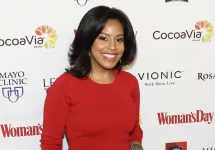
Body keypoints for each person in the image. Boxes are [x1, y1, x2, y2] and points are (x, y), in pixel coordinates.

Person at [40, 5, 143, 150]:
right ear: (88, 40)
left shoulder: (130, 82)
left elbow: (134, 131)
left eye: (119, 40)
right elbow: (51, 143)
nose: (112, 46)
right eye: (103, 38)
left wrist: (136, 145)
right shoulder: (65, 86)